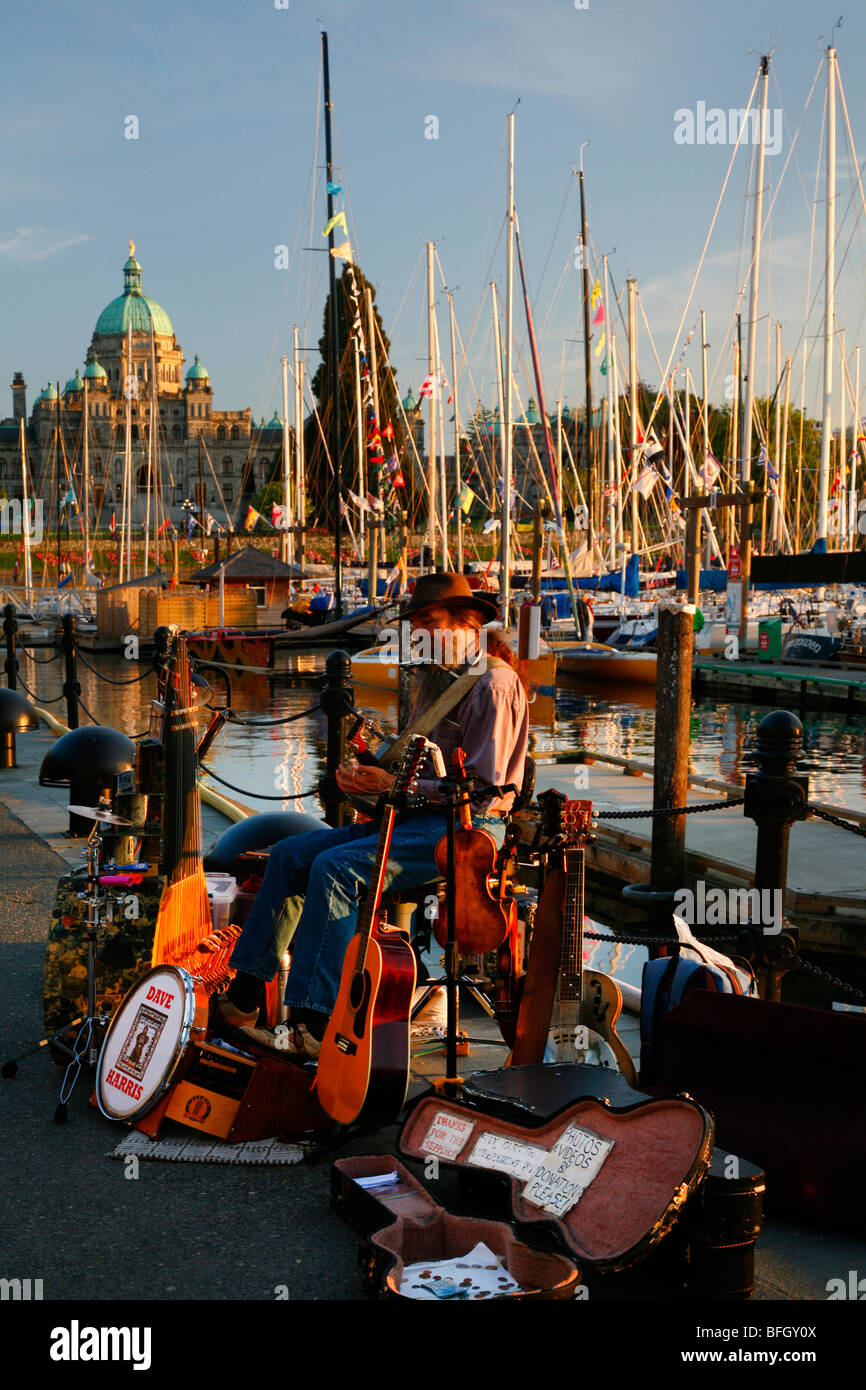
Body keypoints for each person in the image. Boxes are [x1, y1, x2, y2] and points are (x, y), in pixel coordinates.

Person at [215, 572, 529, 1058]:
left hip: (467, 833)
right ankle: (244, 997)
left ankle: (316, 1023)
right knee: (289, 854)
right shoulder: (431, 680)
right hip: (421, 818)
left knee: (334, 869)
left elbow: (483, 794)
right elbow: (412, 777)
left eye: (427, 622)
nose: (418, 633)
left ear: (466, 622)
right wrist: (364, 781)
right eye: (415, 624)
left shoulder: (492, 684)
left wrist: (394, 786)